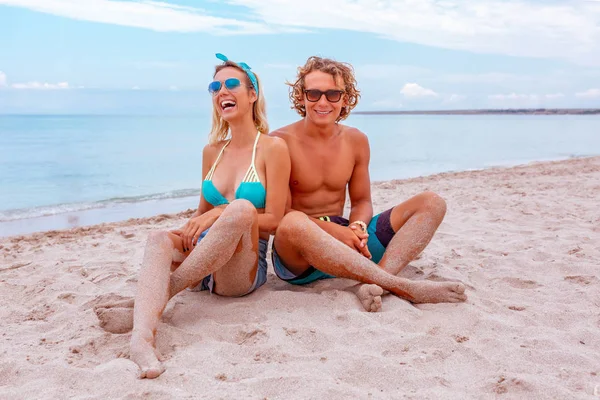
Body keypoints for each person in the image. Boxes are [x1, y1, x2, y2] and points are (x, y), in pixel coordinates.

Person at [120, 53, 290, 378]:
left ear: (253, 94)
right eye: (215, 87)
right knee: (157, 237)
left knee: (241, 208)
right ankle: (141, 339)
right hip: (204, 257)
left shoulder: (272, 149)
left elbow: (277, 220)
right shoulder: (211, 152)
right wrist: (188, 230)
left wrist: (223, 211)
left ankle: (163, 294)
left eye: (230, 84)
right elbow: (201, 215)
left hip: (241, 268)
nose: (221, 91)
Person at [270, 56, 466, 312]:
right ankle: (399, 286)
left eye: (333, 94)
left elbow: (361, 201)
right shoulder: (278, 142)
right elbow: (281, 216)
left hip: (349, 245)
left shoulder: (356, 140)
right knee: (292, 223)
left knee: (432, 202)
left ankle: (376, 285)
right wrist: (339, 233)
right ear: (301, 97)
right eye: (314, 93)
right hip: (300, 256)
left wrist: (357, 226)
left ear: (346, 98)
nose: (322, 102)